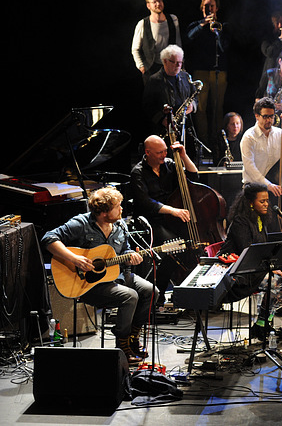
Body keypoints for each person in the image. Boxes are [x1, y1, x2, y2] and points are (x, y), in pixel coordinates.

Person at [42, 187, 157, 364]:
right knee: (130, 296)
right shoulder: (80, 224)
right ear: (103, 212)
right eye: (117, 206)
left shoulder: (120, 225)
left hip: (117, 276)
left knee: (151, 290)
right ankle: (122, 344)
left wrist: (129, 258)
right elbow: (48, 239)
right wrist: (75, 259)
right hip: (88, 285)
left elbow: (124, 251)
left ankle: (133, 337)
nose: (121, 209)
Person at [130, 135, 199, 306]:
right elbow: (146, 203)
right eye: (160, 152)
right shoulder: (137, 172)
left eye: (165, 151)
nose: (164, 155)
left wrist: (183, 156)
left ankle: (191, 291)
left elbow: (193, 177)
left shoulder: (169, 165)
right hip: (150, 222)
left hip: (172, 220)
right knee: (173, 247)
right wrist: (173, 211)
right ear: (148, 153)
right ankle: (157, 293)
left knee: (191, 244)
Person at [217, 183, 282, 330]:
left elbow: (262, 250)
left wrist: (273, 266)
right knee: (276, 281)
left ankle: (263, 322)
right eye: (261, 201)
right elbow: (248, 252)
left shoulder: (259, 219)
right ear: (251, 203)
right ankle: (262, 325)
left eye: (267, 201)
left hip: (253, 268)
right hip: (237, 271)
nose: (266, 204)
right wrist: (268, 270)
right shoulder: (240, 222)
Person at [186, 0, 231, 159]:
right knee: (201, 108)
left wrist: (216, 32)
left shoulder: (223, 26)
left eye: (211, 6)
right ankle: (203, 143)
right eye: (205, 6)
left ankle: (217, 143)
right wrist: (203, 24)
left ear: (216, 8)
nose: (208, 9)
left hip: (219, 71)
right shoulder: (196, 25)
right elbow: (189, 38)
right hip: (201, 72)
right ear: (201, 8)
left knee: (217, 108)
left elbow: (225, 47)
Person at [141, 45, 200, 160]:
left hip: (184, 127)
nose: (178, 65)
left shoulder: (186, 76)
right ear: (165, 61)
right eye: (174, 62)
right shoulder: (154, 80)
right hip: (164, 131)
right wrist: (162, 119)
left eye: (180, 62)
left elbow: (195, 97)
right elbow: (147, 105)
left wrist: (193, 106)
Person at [240, 97, 282, 194]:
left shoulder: (279, 133)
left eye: (272, 116)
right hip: (254, 188)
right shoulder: (249, 137)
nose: (269, 120)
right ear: (257, 116)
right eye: (265, 116)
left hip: (274, 187)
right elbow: (250, 167)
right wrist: (268, 185)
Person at [131, 0, 181, 81]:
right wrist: (142, 67)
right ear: (148, 5)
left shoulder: (173, 19)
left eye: (160, 1)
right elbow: (135, 49)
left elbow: (178, 44)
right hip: (151, 69)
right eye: (154, 2)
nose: (158, 4)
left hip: (170, 67)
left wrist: (180, 63)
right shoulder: (142, 24)